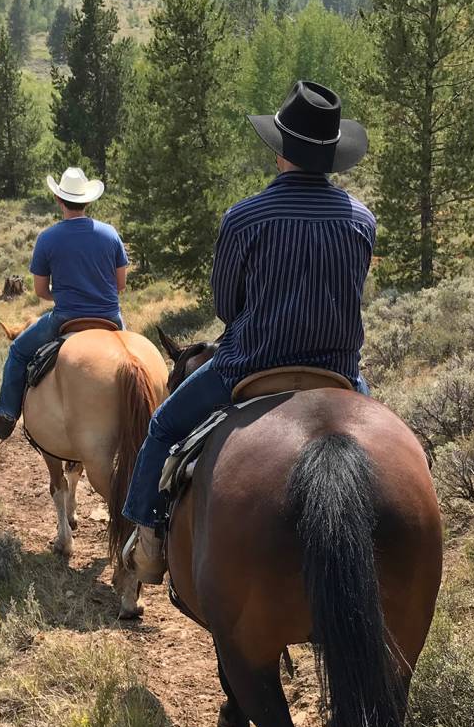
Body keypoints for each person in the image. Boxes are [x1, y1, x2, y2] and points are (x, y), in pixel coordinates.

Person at [121, 80, 375, 582]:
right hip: (339, 373)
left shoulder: (244, 217)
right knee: (400, 447)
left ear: (281, 152)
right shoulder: (360, 220)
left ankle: (149, 544)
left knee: (164, 429)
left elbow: (227, 305)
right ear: (332, 158)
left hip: (249, 366)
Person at [0, 167, 129, 440]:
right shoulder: (110, 234)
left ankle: (5, 416)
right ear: (88, 201)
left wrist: (63, 294)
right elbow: (120, 285)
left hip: (65, 318)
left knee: (17, 352)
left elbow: (40, 290)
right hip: (111, 318)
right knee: (135, 358)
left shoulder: (47, 238)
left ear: (59, 200)